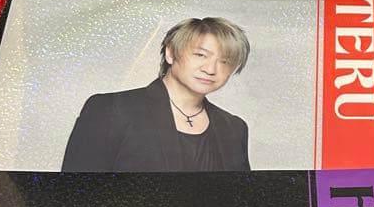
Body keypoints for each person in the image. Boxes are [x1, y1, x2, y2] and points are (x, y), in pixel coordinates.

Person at [61, 17, 251, 172]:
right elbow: (76, 194)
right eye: (200, 55)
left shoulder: (234, 128)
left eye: (225, 61)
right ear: (170, 53)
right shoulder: (111, 109)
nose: (210, 69)